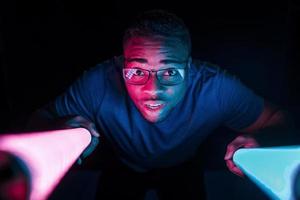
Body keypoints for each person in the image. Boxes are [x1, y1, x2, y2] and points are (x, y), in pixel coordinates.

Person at [27, 9, 295, 200]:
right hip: (123, 166)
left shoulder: (216, 88)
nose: (153, 90)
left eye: (170, 72)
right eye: (137, 72)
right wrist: (59, 126)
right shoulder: (98, 83)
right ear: (122, 66)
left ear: (189, 69)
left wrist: (262, 138)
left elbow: (280, 118)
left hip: (183, 167)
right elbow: (35, 122)